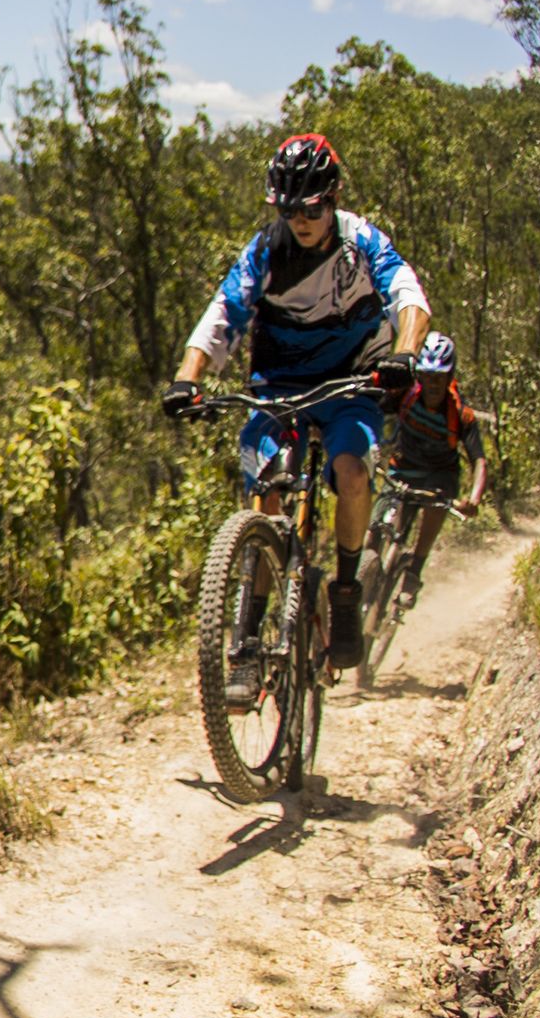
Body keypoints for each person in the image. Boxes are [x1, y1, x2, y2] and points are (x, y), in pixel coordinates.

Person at [161, 132, 433, 674]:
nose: (300, 219)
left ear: (331, 198)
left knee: (352, 473)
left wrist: (404, 354)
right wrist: (186, 377)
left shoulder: (362, 242)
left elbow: (409, 296)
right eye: (288, 208)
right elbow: (224, 314)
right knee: (266, 498)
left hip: (349, 383)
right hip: (278, 388)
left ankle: (348, 591)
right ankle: (247, 632)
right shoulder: (266, 250)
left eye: (310, 207)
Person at [382, 330, 488, 585]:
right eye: (427, 376)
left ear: (449, 378)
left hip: (438, 477)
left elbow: (480, 461)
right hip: (402, 471)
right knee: (377, 529)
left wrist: (473, 499)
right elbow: (372, 411)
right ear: (419, 375)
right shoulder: (405, 395)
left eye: (438, 378)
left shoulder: (461, 414)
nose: (432, 384)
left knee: (436, 506)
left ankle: (414, 572)